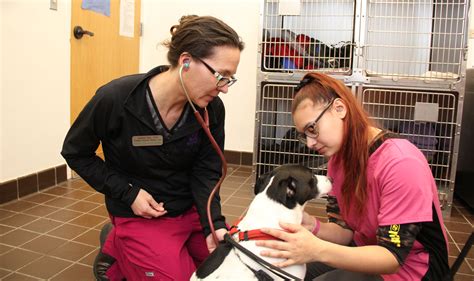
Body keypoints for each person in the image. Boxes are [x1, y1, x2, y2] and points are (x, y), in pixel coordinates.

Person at [61, 15, 244, 281]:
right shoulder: (115, 99)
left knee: (235, 271)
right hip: (142, 214)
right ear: (185, 62)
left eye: (230, 79)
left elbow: (207, 171)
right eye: (221, 76)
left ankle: (119, 243)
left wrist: (213, 224)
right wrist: (128, 192)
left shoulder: (211, 109)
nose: (225, 88)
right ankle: (119, 246)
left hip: (190, 210)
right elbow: (75, 152)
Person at [255, 73, 450, 280]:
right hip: (365, 251)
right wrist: (313, 226)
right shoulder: (338, 161)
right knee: (282, 271)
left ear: (339, 108)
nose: (310, 143)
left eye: (312, 129)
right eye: (304, 135)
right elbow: (346, 231)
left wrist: (316, 249)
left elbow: (392, 257)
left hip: (410, 270)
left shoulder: (401, 163)